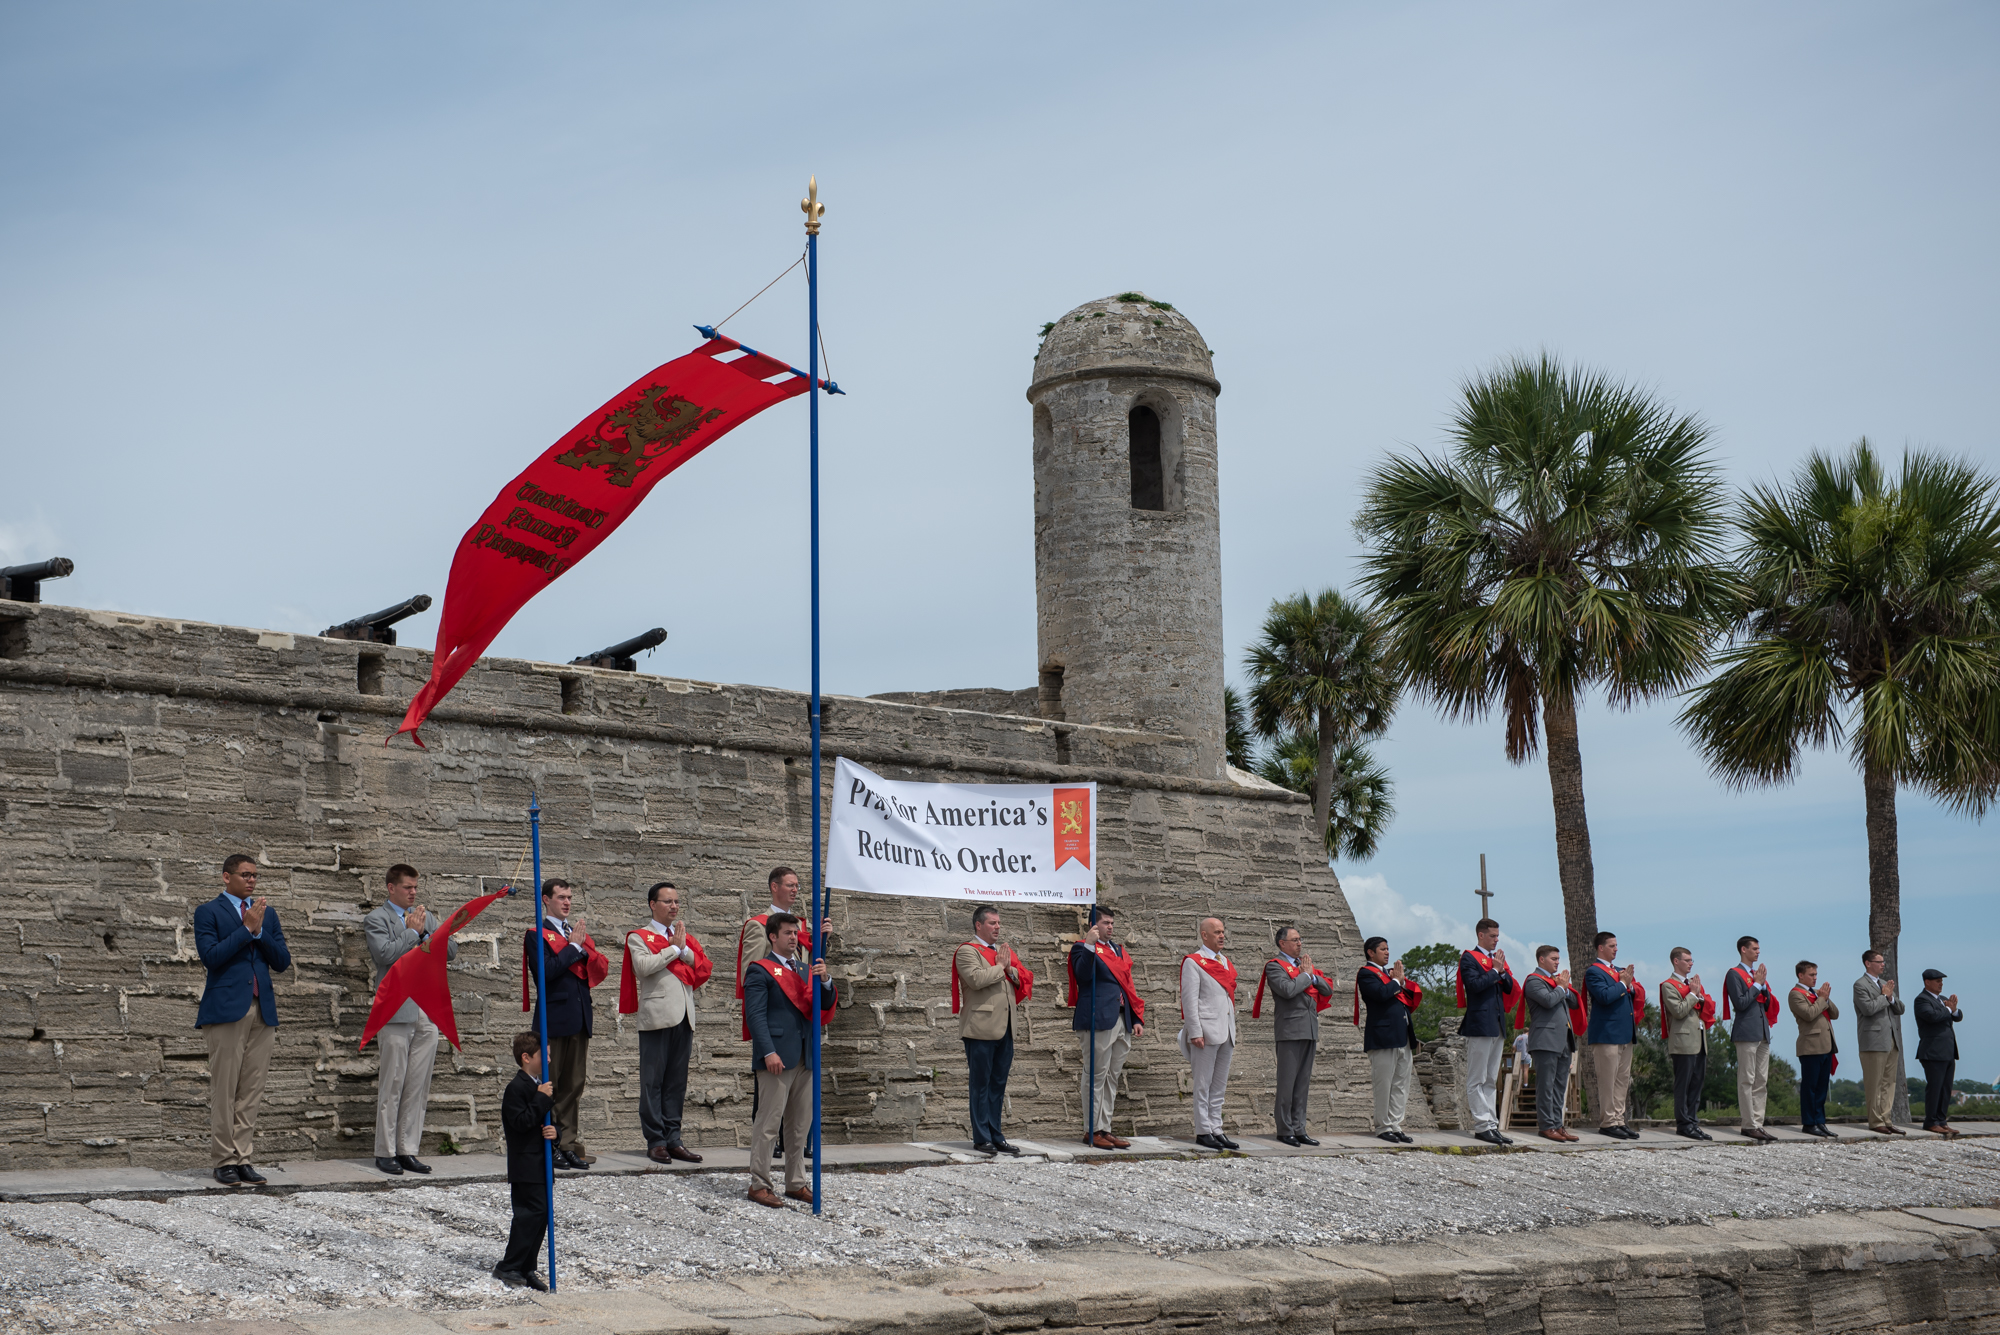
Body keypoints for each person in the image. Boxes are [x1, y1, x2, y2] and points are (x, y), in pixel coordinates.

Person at [194, 853, 292, 1186]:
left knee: (251, 1089)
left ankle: (243, 1158)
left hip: (262, 1009)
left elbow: (282, 961)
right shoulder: (208, 912)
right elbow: (211, 957)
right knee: (225, 1088)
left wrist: (259, 929)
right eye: (245, 875)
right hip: (225, 1009)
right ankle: (224, 1160)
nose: (251, 880)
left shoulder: (268, 914)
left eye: (255, 876)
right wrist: (246, 929)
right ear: (226, 877)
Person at [363, 863, 456, 1176]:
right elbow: (385, 955)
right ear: (391, 888)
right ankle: (385, 1151)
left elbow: (452, 950)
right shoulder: (377, 918)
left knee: (417, 1085)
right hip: (396, 1009)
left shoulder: (426, 916)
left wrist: (427, 931)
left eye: (416, 887)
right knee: (393, 1083)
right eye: (407, 887)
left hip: (426, 1009)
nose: (413, 892)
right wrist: (412, 933)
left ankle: (407, 1150)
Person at [736, 866, 830, 1160]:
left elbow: (808, 970)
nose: (795, 890)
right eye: (789, 885)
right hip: (774, 1015)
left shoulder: (801, 928)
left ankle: (792, 1149)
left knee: (798, 1103)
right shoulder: (759, 925)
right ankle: (767, 1152)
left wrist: (823, 940)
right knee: (769, 1096)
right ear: (774, 887)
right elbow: (750, 972)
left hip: (800, 1022)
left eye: (798, 886)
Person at [743, 913, 835, 1207]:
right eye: (787, 933)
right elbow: (755, 1016)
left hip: (806, 1055)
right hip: (777, 1057)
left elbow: (825, 1004)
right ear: (772, 936)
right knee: (769, 1124)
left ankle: (795, 1182)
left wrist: (826, 980)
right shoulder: (760, 970)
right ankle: (759, 1183)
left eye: (796, 933)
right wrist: (767, 1051)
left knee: (799, 1126)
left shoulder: (808, 969)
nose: (794, 937)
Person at [620, 881, 712, 1164]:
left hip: (683, 1016)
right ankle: (656, 1140)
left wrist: (682, 950)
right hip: (657, 1017)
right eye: (668, 901)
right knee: (653, 1082)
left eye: (676, 902)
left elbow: (702, 966)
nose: (674, 906)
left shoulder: (683, 937)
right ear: (653, 904)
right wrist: (673, 950)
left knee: (676, 1083)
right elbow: (643, 967)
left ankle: (674, 1138)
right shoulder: (640, 936)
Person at [523, 878, 608, 1169]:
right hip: (553, 1019)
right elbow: (545, 973)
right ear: (546, 900)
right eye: (560, 897)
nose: (567, 902)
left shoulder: (575, 933)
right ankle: (548, 1144)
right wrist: (572, 948)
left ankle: (567, 1143)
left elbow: (590, 972)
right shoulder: (536, 934)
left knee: (574, 1084)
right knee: (551, 1084)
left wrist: (580, 947)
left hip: (579, 1017)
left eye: (569, 897)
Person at [953, 905, 1032, 1156]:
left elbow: (1021, 977)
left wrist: (1009, 969)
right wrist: (1001, 967)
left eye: (999, 923)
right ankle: (981, 1137)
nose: (998, 927)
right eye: (992, 923)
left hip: (1005, 1027)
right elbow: (975, 980)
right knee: (980, 1084)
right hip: (980, 1028)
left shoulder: (1002, 953)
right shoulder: (966, 951)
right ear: (979, 925)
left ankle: (997, 1135)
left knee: (998, 1084)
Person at [1068, 905, 1145, 1150]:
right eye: (1105, 923)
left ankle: (1105, 1128)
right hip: (1097, 1017)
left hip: (1121, 1018)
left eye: (1112, 923)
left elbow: (1127, 986)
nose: (1110, 926)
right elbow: (1082, 976)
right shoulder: (1082, 947)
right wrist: (1090, 946)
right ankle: (1091, 1130)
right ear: (1093, 925)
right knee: (1095, 1074)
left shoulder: (1119, 951)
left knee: (1112, 1076)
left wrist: (1136, 1018)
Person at [1253, 925, 1334, 1147]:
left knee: (1302, 1084)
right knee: (1287, 1083)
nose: (1300, 943)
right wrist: (1307, 976)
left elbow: (1327, 989)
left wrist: (1311, 976)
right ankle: (1285, 1129)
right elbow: (1287, 990)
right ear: (1282, 943)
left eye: (1300, 939)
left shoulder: (1304, 966)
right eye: (1295, 939)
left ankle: (1300, 1128)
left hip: (1309, 1029)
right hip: (1289, 1030)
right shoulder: (1275, 966)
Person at [493, 1029, 556, 1291]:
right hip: (526, 1165)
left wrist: (556, 1133)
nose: (549, 1060)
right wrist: (541, 1097)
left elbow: (547, 1122)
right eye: (545, 1055)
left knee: (541, 1217)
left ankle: (527, 1266)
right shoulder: (516, 1088)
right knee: (530, 1214)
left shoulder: (540, 1086)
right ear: (526, 1057)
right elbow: (520, 1123)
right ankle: (509, 1265)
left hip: (542, 1163)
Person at [1178, 917, 1240, 1150]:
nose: (1222, 936)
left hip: (1226, 1030)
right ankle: (1203, 1130)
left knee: (1219, 1086)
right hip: (1205, 1031)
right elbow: (1189, 1000)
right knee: (1203, 1084)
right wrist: (1195, 1031)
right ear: (1204, 935)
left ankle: (1216, 1128)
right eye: (1216, 932)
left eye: (1223, 931)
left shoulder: (1224, 961)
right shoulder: (1194, 962)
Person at [1354, 936, 1422, 1144]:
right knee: (1384, 1084)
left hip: (1402, 1035)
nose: (1387, 952)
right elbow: (1380, 994)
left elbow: (1405, 1000)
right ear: (1370, 953)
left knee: (1401, 1083)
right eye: (1382, 949)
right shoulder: (1367, 973)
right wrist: (1395, 981)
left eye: (1388, 949)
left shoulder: (1388, 975)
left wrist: (1398, 981)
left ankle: (1395, 1124)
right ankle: (1383, 1126)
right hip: (1382, 1036)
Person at [1456, 918, 1516, 1146]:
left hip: (1497, 1023)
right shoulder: (1469, 957)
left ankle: (1492, 1125)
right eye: (1492, 936)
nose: (1496, 940)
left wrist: (1500, 972)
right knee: (1477, 1078)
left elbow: (1509, 986)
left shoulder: (1496, 960)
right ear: (1481, 935)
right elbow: (1473, 985)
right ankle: (1481, 1125)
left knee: (1491, 1079)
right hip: (1480, 1022)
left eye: (1497, 936)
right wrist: (1495, 971)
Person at [1584, 930, 1645, 1140]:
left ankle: (1619, 1120)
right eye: (1612, 946)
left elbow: (1634, 992)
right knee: (1608, 1081)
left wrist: (1627, 984)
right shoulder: (1594, 971)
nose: (1616, 949)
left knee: (1622, 1081)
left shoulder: (1620, 971)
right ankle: (1608, 1121)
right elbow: (1603, 996)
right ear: (1601, 948)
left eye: (1616, 945)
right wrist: (1622, 984)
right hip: (1606, 1034)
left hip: (1625, 1034)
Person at [1522, 945, 1583, 1143]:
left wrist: (1563, 988)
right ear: (1541, 960)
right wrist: (1561, 988)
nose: (1558, 962)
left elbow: (1574, 1002)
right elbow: (1547, 1001)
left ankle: (1558, 1125)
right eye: (1554, 959)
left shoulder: (1556, 983)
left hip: (1564, 1040)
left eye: (1558, 959)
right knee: (1545, 1086)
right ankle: (1546, 1126)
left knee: (1559, 1087)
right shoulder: (1533, 981)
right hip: (1545, 1041)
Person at [1723, 935, 1780, 1142]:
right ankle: (1748, 1124)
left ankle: (1758, 1123)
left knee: (1761, 1081)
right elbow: (1740, 1003)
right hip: (1746, 1032)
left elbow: (1765, 1005)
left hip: (1762, 1032)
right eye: (1754, 948)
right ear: (1743, 950)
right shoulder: (1734, 974)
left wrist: (1762, 986)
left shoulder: (1756, 975)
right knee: (1746, 1079)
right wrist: (1757, 985)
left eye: (1758, 948)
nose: (1758, 952)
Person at [1659, 947, 1716, 1141]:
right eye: (1687, 960)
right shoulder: (1669, 985)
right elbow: (1678, 1011)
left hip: (1698, 1039)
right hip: (1683, 1041)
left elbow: (1702, 1009)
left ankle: (1692, 1121)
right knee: (1683, 1085)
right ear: (1676, 961)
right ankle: (1683, 1124)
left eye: (1692, 960)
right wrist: (1693, 995)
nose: (1691, 963)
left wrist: (1697, 995)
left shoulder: (1692, 984)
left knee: (1696, 1084)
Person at [1854, 950, 1907, 1136]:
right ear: (1868, 963)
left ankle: (1887, 1119)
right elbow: (1868, 1009)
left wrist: (1890, 997)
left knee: (1889, 1083)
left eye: (1883, 961)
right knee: (1874, 1083)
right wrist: (1884, 997)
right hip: (1873, 1041)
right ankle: (1875, 1121)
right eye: (1879, 961)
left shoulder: (1885, 984)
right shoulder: (1860, 985)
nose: (1883, 964)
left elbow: (1901, 1008)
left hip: (1891, 1040)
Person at [1789, 960, 1841, 1139]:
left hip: (1826, 1046)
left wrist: (1825, 997)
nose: (1815, 978)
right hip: (1810, 1047)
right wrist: (1821, 999)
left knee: (1821, 1088)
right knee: (1810, 1087)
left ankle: (1820, 1121)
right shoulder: (1796, 994)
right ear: (1800, 975)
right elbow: (1809, 1014)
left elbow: (1835, 1014)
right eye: (1811, 975)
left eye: (1816, 975)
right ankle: (1809, 1123)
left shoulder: (1816, 994)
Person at [1913, 969, 1963, 1138]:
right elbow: (1932, 1016)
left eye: (1942, 981)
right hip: (1932, 1051)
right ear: (1927, 982)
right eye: (1937, 981)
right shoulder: (1921, 1000)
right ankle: (1931, 1121)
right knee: (1935, 1087)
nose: (1941, 984)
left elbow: (1958, 1016)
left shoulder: (1943, 1000)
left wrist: (1954, 1010)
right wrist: (1948, 1010)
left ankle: (1941, 1120)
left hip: (1948, 1051)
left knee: (1946, 1088)